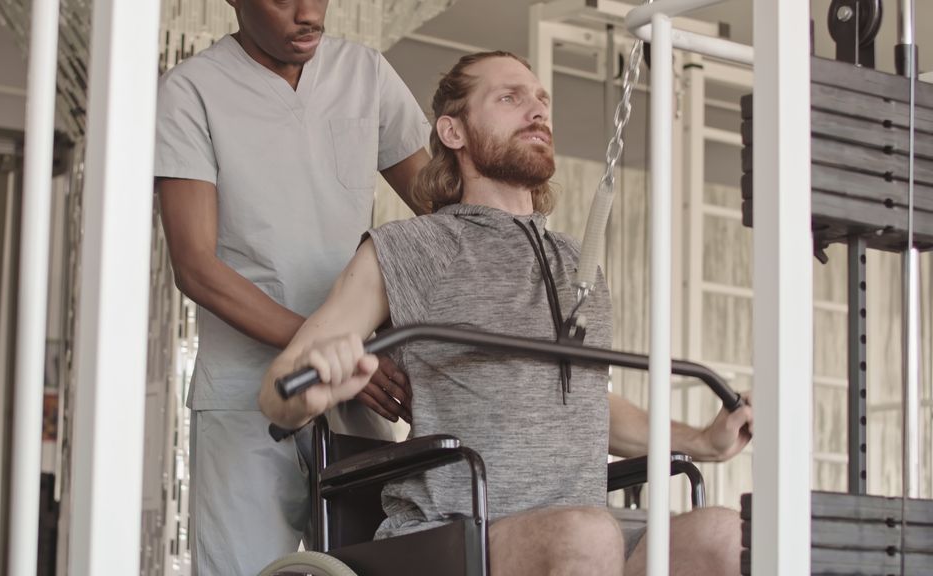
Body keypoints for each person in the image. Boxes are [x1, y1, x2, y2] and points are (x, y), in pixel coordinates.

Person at [259, 51, 755, 576]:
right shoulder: (412, 247)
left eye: (541, 100)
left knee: (725, 535)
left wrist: (702, 440)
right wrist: (311, 390)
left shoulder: (575, 263)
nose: (537, 111)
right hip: (451, 532)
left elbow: (587, 401)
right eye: (509, 98)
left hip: (586, 536)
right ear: (454, 131)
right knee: (587, 535)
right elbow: (278, 392)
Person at [153, 0, 431, 573]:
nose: (309, 14)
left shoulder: (366, 74)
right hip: (245, 394)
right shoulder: (191, 91)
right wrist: (329, 351)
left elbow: (444, 225)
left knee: (375, 567)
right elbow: (196, 266)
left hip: (361, 388)